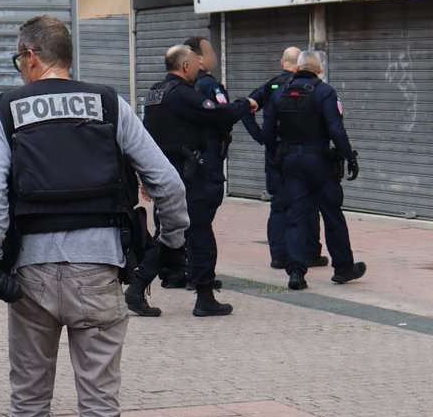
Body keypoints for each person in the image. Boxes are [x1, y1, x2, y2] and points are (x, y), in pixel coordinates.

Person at [0, 15, 189, 417]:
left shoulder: (8, 109)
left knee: (30, 401)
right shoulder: (109, 104)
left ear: (32, 57)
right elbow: (168, 183)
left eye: (18, 58)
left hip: (29, 275)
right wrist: (172, 242)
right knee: (98, 403)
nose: (19, 67)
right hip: (98, 269)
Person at [125, 43, 258, 318]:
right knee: (199, 234)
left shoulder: (155, 93)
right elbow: (220, 115)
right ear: (185, 66)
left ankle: (137, 288)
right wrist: (246, 105)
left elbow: (146, 138)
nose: (199, 67)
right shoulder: (183, 94)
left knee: (173, 233)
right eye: (195, 63)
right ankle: (203, 297)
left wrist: (146, 178)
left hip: (165, 174)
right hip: (187, 176)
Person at [262, 49, 367, 290]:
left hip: (291, 163)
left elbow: (267, 131)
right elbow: (336, 130)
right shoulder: (324, 91)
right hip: (320, 163)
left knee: (295, 216)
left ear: (298, 67)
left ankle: (296, 273)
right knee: (332, 215)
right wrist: (348, 156)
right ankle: (343, 268)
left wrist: (278, 154)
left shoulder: (280, 92)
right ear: (319, 69)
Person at [247, 46, 327, 270]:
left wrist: (261, 137)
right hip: (303, 155)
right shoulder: (311, 86)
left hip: (276, 154)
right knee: (308, 204)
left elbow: (246, 107)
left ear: (282, 63)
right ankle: (310, 253)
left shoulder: (272, 86)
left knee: (279, 206)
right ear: (301, 64)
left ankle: (279, 256)